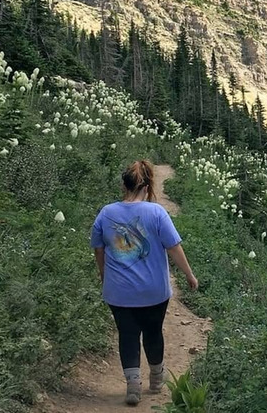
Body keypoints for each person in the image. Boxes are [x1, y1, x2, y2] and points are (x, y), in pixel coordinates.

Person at [90, 160, 199, 406]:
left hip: (119, 292)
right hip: (154, 292)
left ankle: (132, 386)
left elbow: (98, 248)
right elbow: (174, 247)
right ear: (148, 185)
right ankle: (157, 378)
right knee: (153, 332)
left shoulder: (106, 213)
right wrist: (189, 275)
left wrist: (104, 274)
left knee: (127, 334)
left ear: (124, 184)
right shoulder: (157, 212)